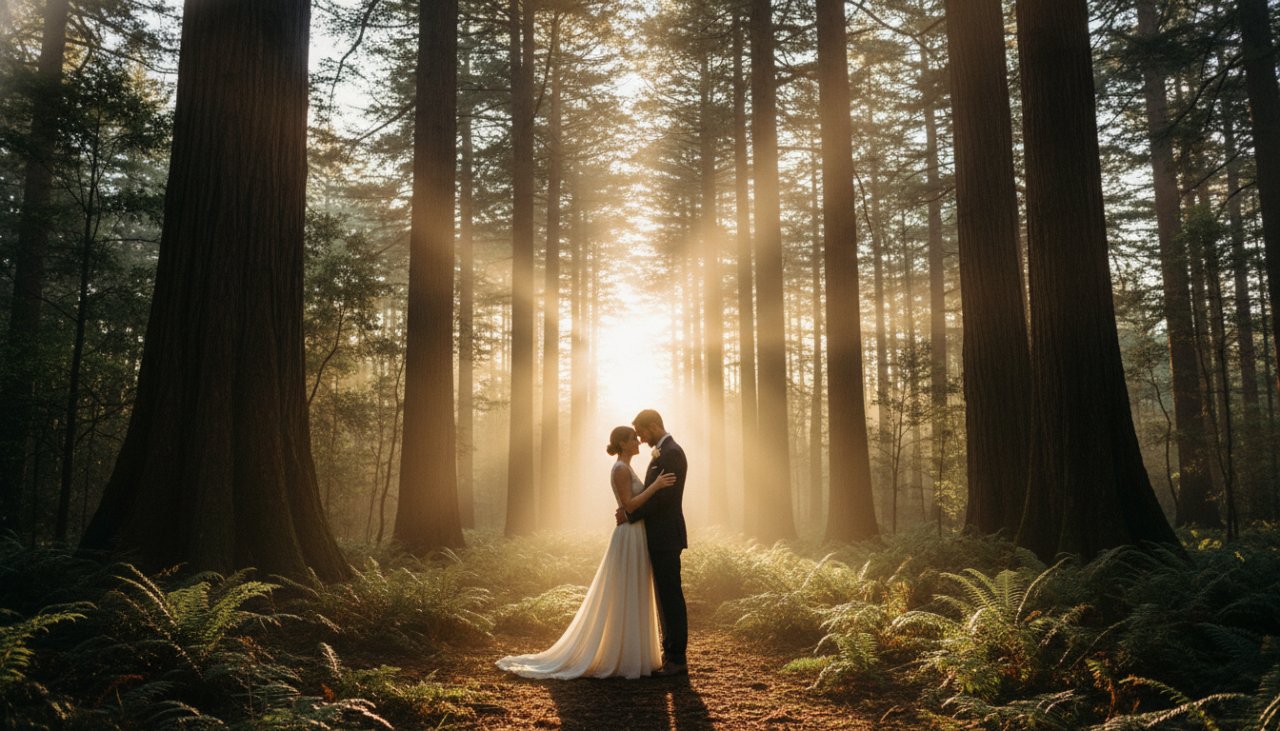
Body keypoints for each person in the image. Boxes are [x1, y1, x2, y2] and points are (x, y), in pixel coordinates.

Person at [495, 425, 676, 679]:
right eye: (633, 438)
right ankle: (622, 656)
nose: (638, 441)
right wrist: (656, 486)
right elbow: (629, 505)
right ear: (623, 444)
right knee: (625, 590)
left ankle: (632, 653)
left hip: (636, 533)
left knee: (634, 589)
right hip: (629, 536)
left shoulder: (626, 467)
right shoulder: (621, 469)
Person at [616, 409, 688, 677]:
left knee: (670, 596)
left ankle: (677, 658)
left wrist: (630, 513)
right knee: (664, 595)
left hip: (667, 535)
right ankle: (670, 653)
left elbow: (665, 498)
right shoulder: (663, 452)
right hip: (658, 535)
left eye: (642, 432)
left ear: (654, 426)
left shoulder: (671, 453)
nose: (641, 438)